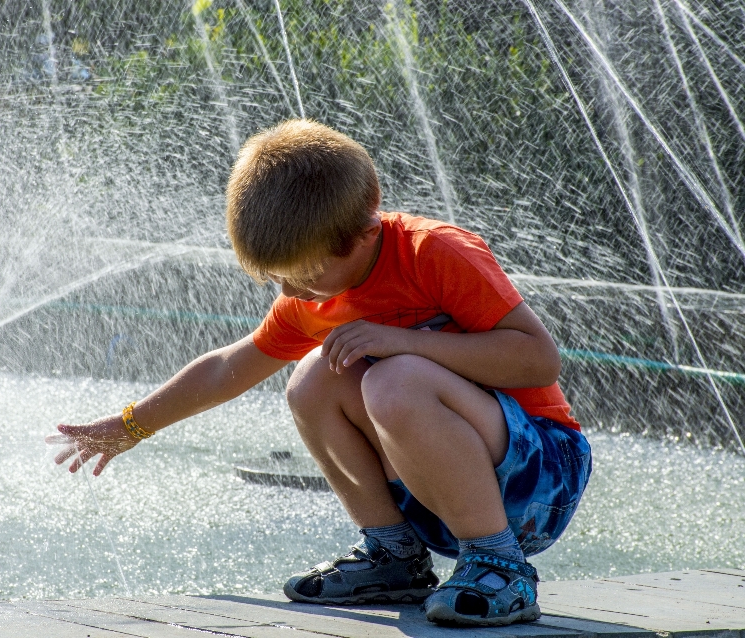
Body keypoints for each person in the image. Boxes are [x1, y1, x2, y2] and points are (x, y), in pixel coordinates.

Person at [47, 119, 591, 627]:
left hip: (539, 476)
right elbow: (225, 370)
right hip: (438, 493)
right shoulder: (313, 300)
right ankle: (394, 555)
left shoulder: (434, 253)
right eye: (279, 279)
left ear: (364, 227)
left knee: (392, 379)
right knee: (312, 378)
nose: (290, 293)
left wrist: (399, 341)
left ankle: (503, 568)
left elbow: (537, 358)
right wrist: (132, 424)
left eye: (303, 275)